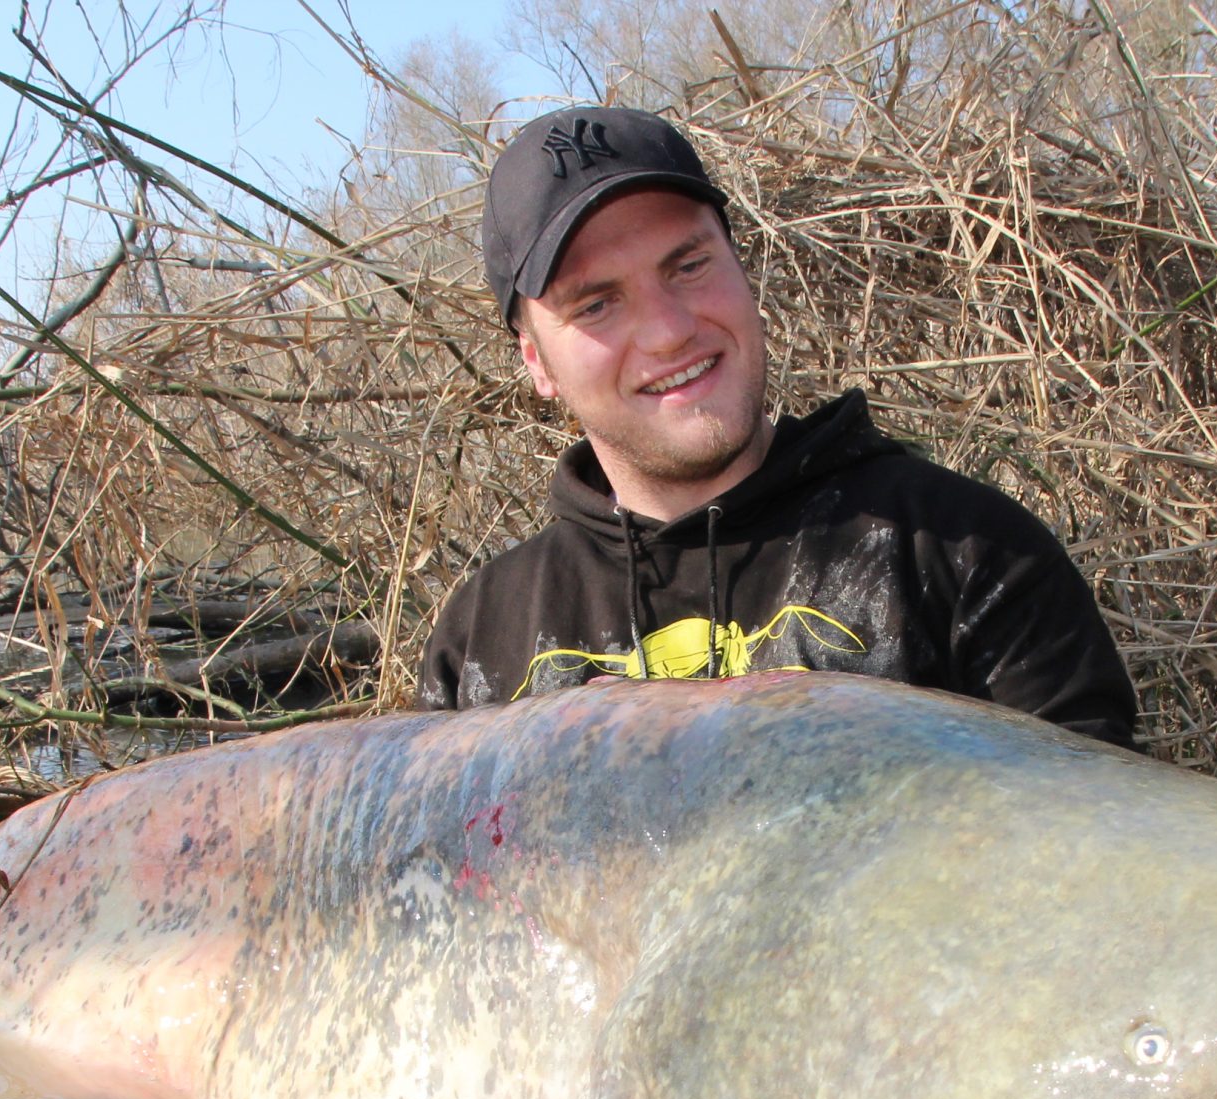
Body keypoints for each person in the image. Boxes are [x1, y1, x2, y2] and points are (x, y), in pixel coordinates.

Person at [419, 106, 1140, 750]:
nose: (669, 331)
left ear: (741, 268)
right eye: (597, 305)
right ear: (536, 360)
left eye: (689, 265)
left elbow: (1089, 838)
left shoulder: (967, 553)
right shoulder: (480, 644)